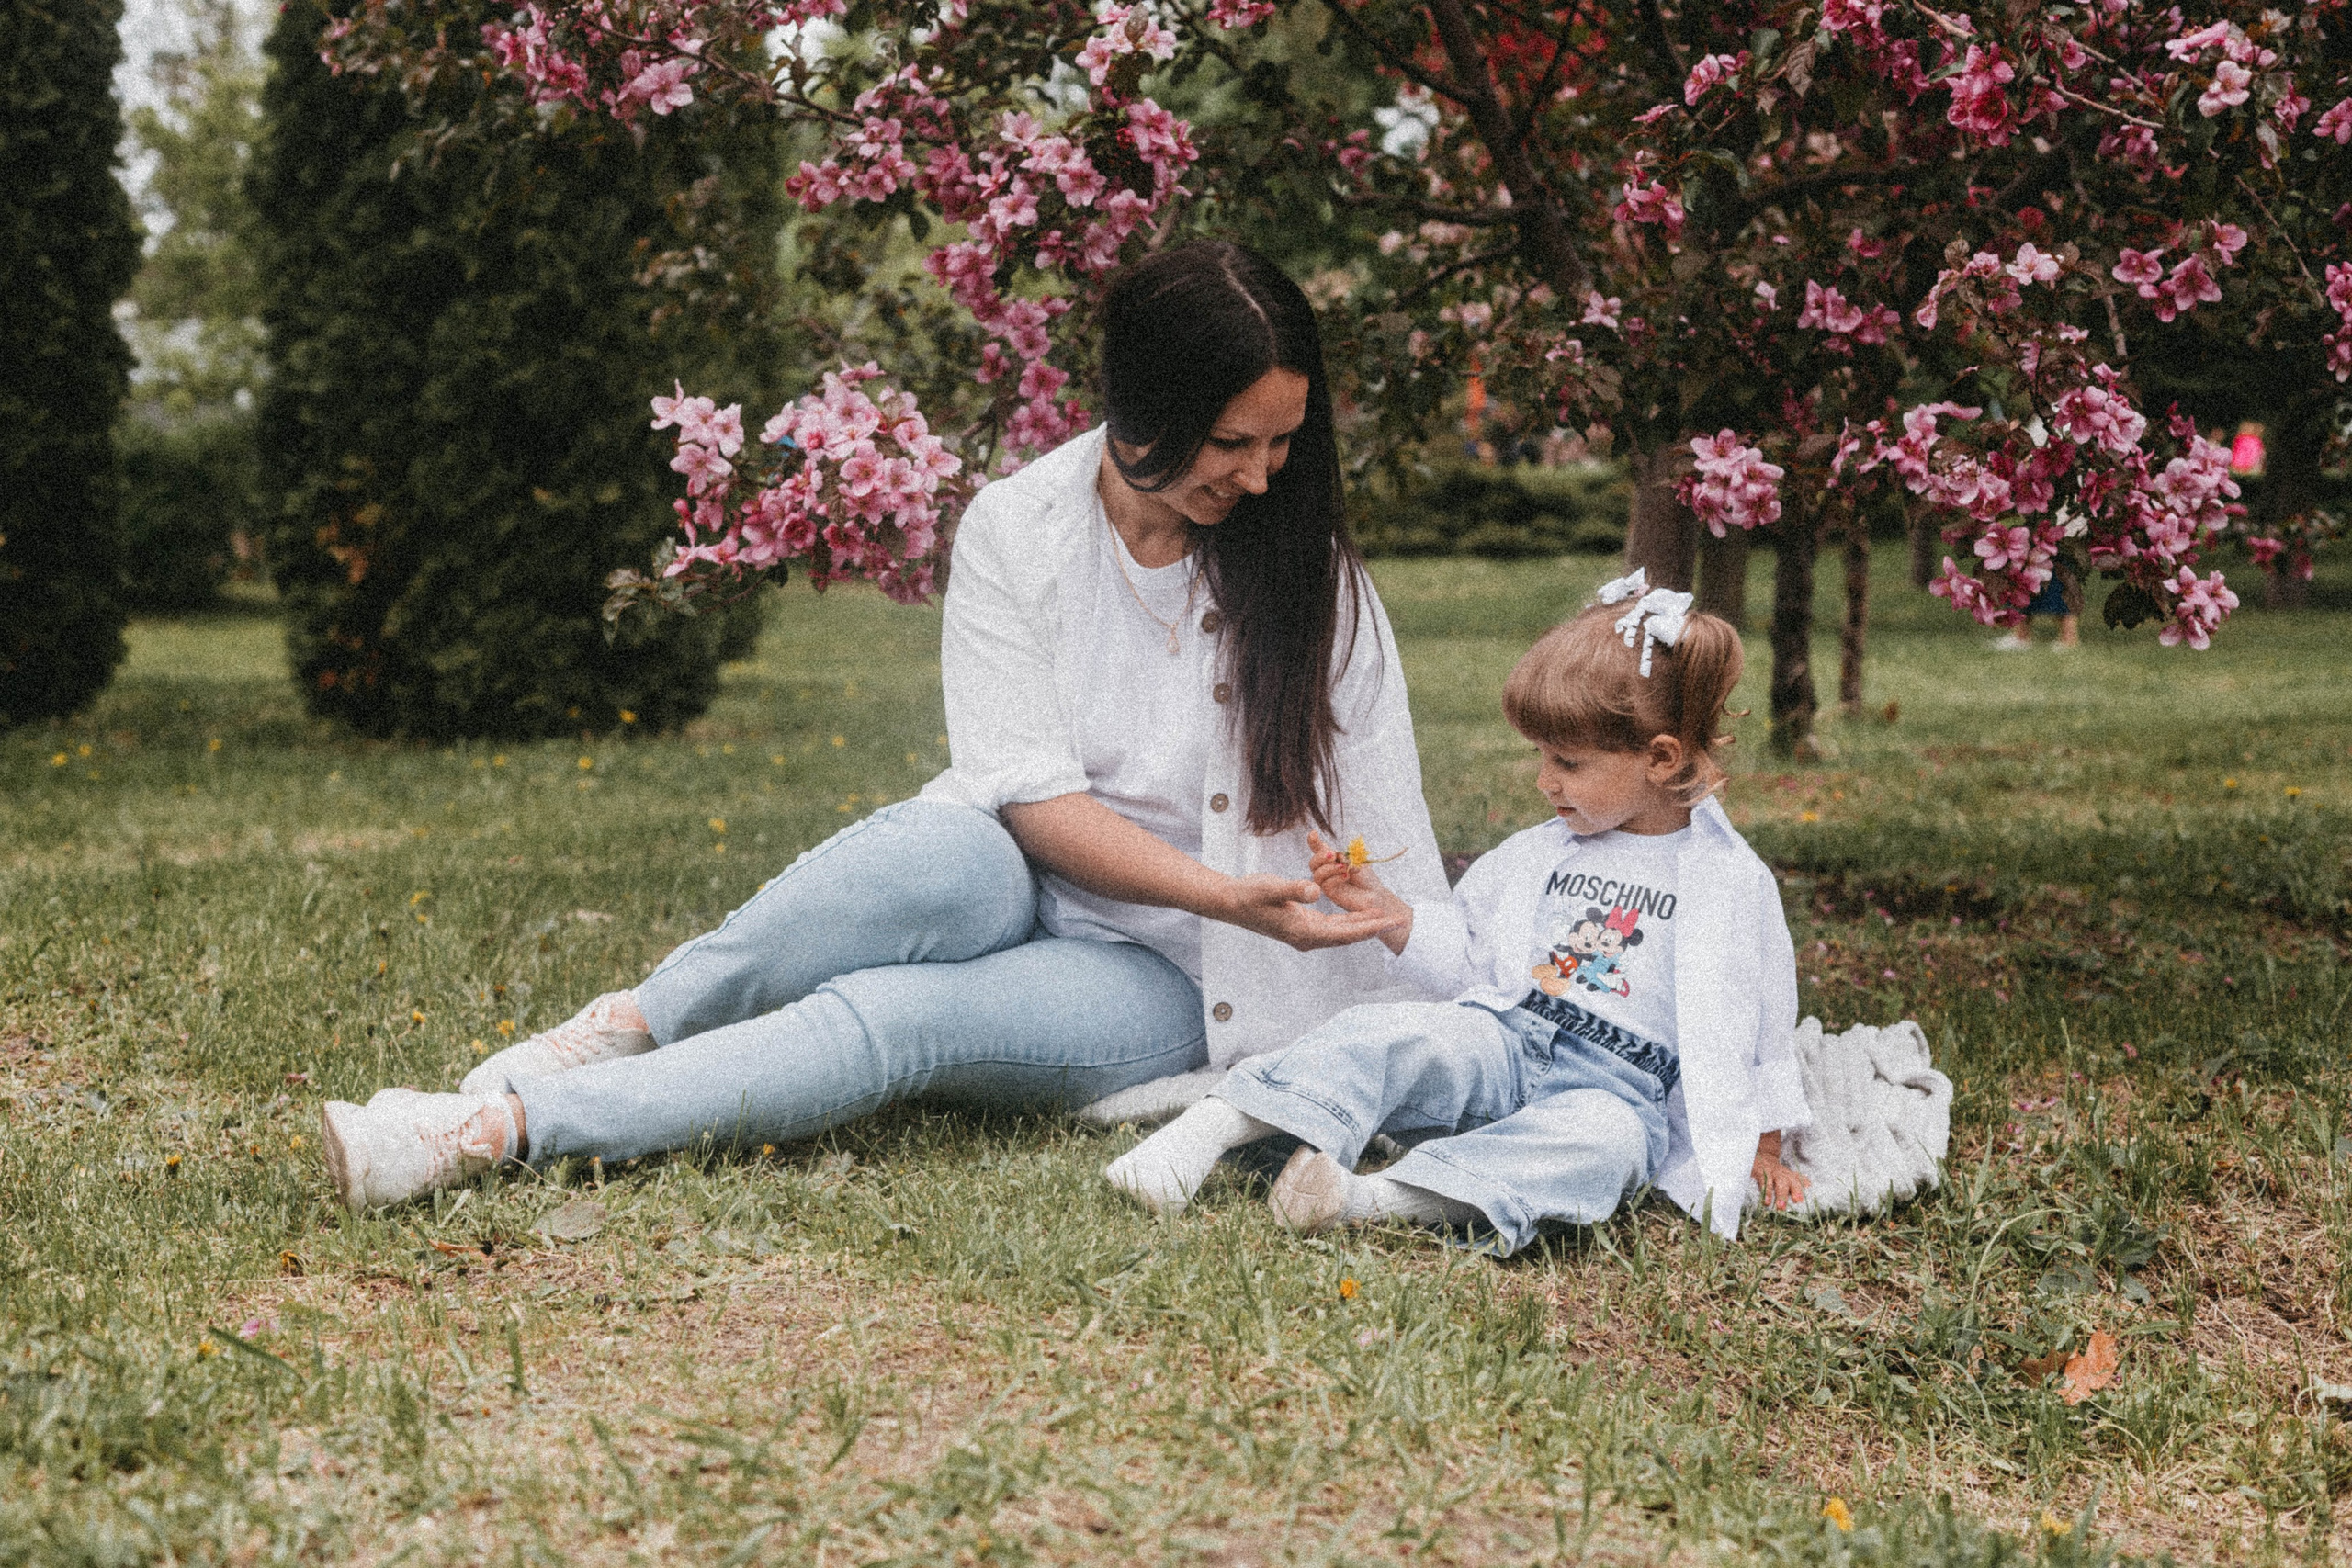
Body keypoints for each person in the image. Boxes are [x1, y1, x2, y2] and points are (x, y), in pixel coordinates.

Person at [319, 240, 1452, 1211]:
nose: (1262, 479)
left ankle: (488, 1132)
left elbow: (1391, 848)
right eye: (1232, 443)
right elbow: (1031, 799)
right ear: (1142, 411)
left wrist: (1314, 918)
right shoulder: (1019, 528)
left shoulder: (1316, 581)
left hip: (1177, 965)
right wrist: (1221, 884)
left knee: (890, 1020)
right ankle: (640, 1016)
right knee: (935, 849)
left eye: (1284, 442)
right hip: (1031, 863)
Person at [1104, 570, 1813, 1253]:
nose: (1545, 781)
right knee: (1394, 1033)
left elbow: (1763, 1019)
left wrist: (1766, 1143)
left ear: (1659, 759)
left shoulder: (1730, 884)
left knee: (1607, 1152)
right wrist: (1389, 913)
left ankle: (1367, 1200)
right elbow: (1476, 956)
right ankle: (1211, 1127)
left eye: (1566, 761)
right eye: (1540, 756)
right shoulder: (1540, 854)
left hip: (1615, 1084)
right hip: (1507, 1035)